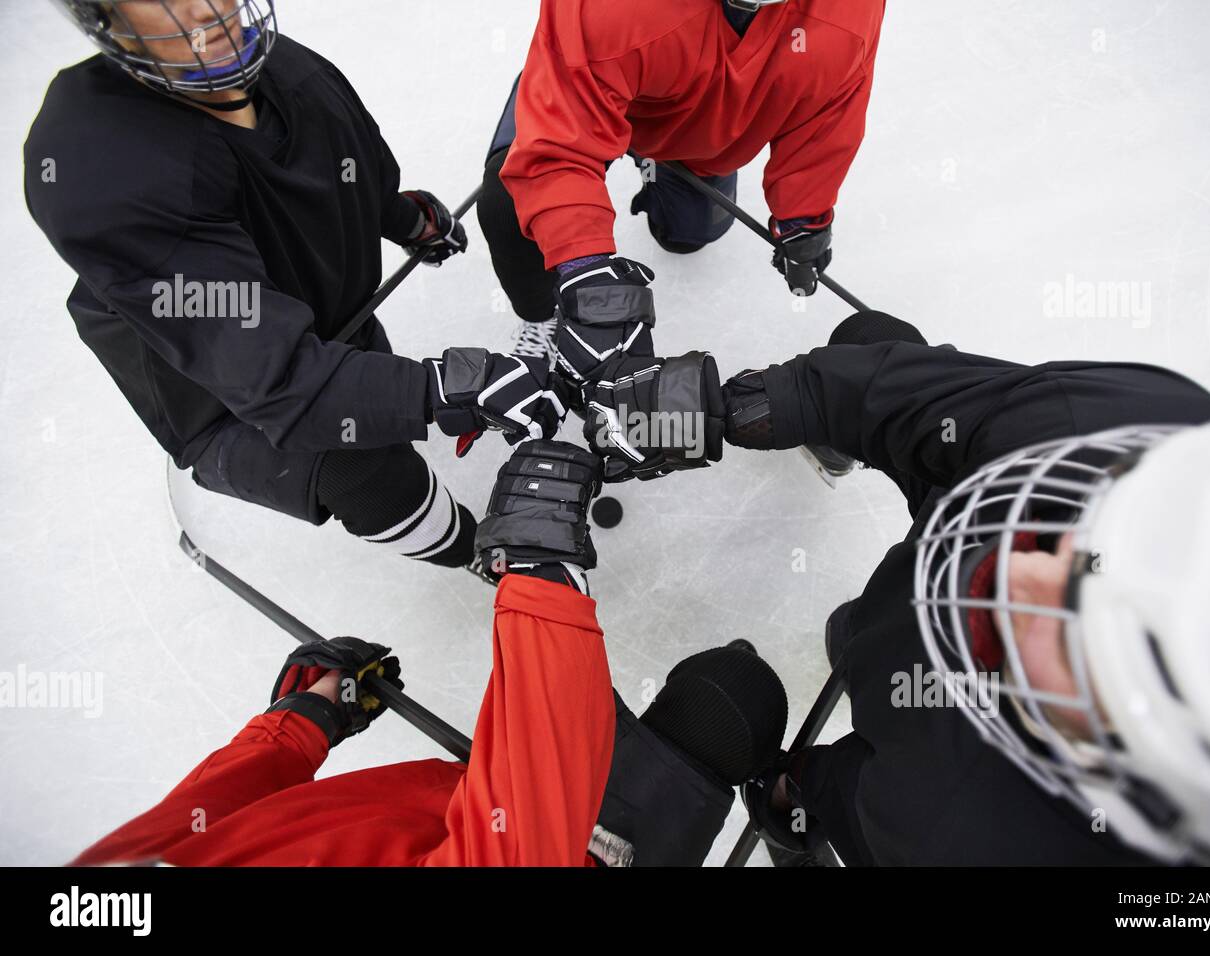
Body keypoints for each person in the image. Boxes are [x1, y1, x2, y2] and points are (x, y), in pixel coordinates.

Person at [586, 308, 1210, 865]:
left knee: (807, 776)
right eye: (1089, 526)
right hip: (932, 580)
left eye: (1074, 641)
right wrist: (738, 405)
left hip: (923, 756)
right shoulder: (1139, 425)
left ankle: (798, 780)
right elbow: (919, 399)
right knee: (873, 345)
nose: (1020, 570)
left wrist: (800, 796)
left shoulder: (961, 834)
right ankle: (866, 643)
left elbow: (870, 802)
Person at [26, 0, 561, 580]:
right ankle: (474, 552)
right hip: (221, 395)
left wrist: (406, 220)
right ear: (103, 16)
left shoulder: (294, 72)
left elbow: (352, 170)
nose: (204, 6)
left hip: (324, 317)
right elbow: (278, 379)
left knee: (370, 393)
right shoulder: (108, 173)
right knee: (365, 469)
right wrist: (452, 385)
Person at [72, 441, 789, 867]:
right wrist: (543, 585)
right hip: (542, 838)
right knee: (737, 696)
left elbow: (194, 824)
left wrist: (301, 722)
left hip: (474, 812)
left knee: (721, 696)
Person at [476, 0, 886, 483]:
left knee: (689, 236)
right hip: (588, 84)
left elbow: (831, 112)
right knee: (508, 204)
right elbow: (559, 151)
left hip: (696, 122)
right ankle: (539, 315)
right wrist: (585, 275)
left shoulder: (848, 13)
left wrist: (804, 218)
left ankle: (655, 160)